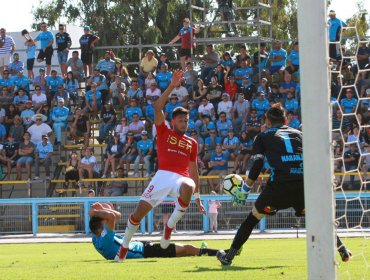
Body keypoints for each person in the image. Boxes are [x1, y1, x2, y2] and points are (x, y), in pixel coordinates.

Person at [216, 103, 352, 266]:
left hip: (278, 188)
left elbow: (258, 164)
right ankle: (342, 248)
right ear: (286, 120)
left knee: (253, 218)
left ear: (267, 120)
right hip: (303, 187)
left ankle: (229, 256)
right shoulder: (299, 134)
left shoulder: (263, 136)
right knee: (318, 218)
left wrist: (245, 189)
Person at [117, 70, 206, 262]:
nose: (184, 123)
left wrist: (197, 196)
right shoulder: (164, 130)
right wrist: (172, 86)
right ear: (173, 121)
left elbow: (194, 170)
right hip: (162, 176)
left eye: (187, 121)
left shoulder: (192, 142)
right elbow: (157, 107)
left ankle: (169, 228)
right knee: (138, 213)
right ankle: (123, 249)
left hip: (180, 178)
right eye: (181, 120)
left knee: (188, 185)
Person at [89, 202, 229, 261]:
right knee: (188, 248)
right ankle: (223, 253)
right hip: (146, 251)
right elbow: (114, 215)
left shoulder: (96, 238)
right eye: (104, 221)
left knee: (184, 252)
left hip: (143, 247)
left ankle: (210, 252)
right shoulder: (106, 237)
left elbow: (109, 214)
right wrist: (96, 211)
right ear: (101, 226)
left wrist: (99, 210)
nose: (108, 222)